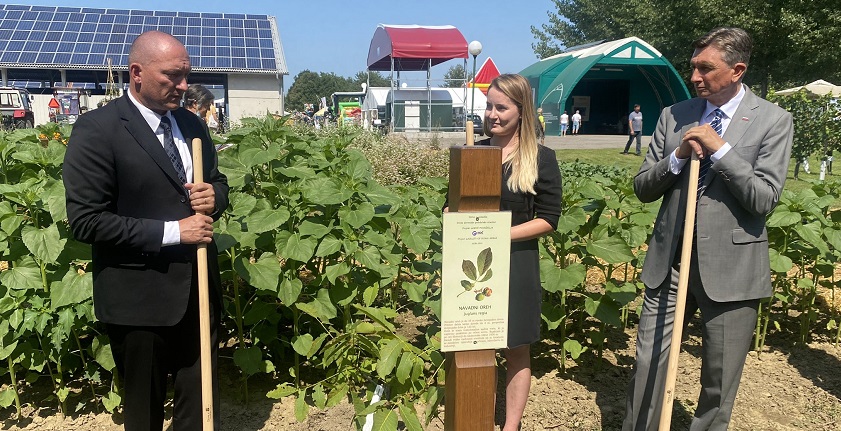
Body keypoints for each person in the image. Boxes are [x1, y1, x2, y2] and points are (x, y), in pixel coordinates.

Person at [623, 27, 792, 431]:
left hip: (732, 269)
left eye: (705, 68)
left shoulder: (773, 120)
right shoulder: (674, 115)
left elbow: (764, 199)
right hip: (670, 263)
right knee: (649, 364)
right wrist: (678, 156)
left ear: (737, 70)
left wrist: (722, 151)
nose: (694, 77)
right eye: (693, 67)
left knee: (719, 378)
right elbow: (643, 187)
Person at [63, 31, 229, 431]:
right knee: (144, 415)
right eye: (172, 76)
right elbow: (86, 220)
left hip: (199, 290)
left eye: (186, 75)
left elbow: (218, 182)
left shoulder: (191, 125)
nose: (184, 86)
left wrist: (215, 196)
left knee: (200, 408)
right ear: (137, 73)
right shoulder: (98, 130)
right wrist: (174, 232)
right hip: (138, 301)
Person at [478, 74, 562, 430]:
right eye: (488, 106)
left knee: (516, 349)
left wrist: (500, 234)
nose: (492, 114)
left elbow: (549, 219)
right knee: (476, 347)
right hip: (474, 265)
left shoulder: (540, 158)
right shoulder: (474, 152)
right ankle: (477, 418)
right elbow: (451, 205)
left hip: (517, 263)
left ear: (522, 110)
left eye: (501, 107)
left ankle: (510, 426)